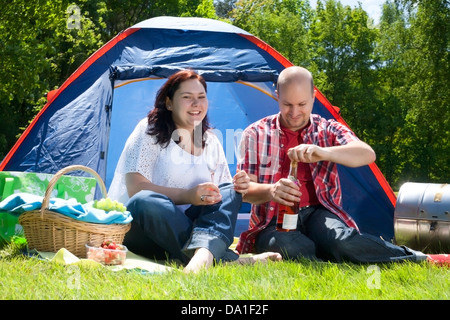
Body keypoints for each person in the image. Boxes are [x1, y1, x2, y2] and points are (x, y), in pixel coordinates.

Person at [235, 66, 430, 264]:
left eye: (302, 104)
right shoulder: (255, 133)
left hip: (318, 213)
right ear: (277, 95)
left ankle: (417, 258)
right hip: (272, 220)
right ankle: (324, 253)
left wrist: (323, 152)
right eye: (287, 104)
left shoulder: (327, 128)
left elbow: (366, 154)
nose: (294, 113)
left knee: (343, 242)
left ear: (313, 96)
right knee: (291, 248)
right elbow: (245, 191)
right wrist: (272, 191)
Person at [108, 69, 281, 273]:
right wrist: (188, 195)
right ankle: (225, 258)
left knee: (228, 190)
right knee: (144, 200)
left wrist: (239, 187)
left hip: (192, 227)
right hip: (146, 228)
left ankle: (202, 257)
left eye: (201, 97)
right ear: (169, 103)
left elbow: (221, 197)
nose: (196, 104)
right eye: (187, 97)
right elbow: (135, 188)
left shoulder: (212, 141)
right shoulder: (149, 130)